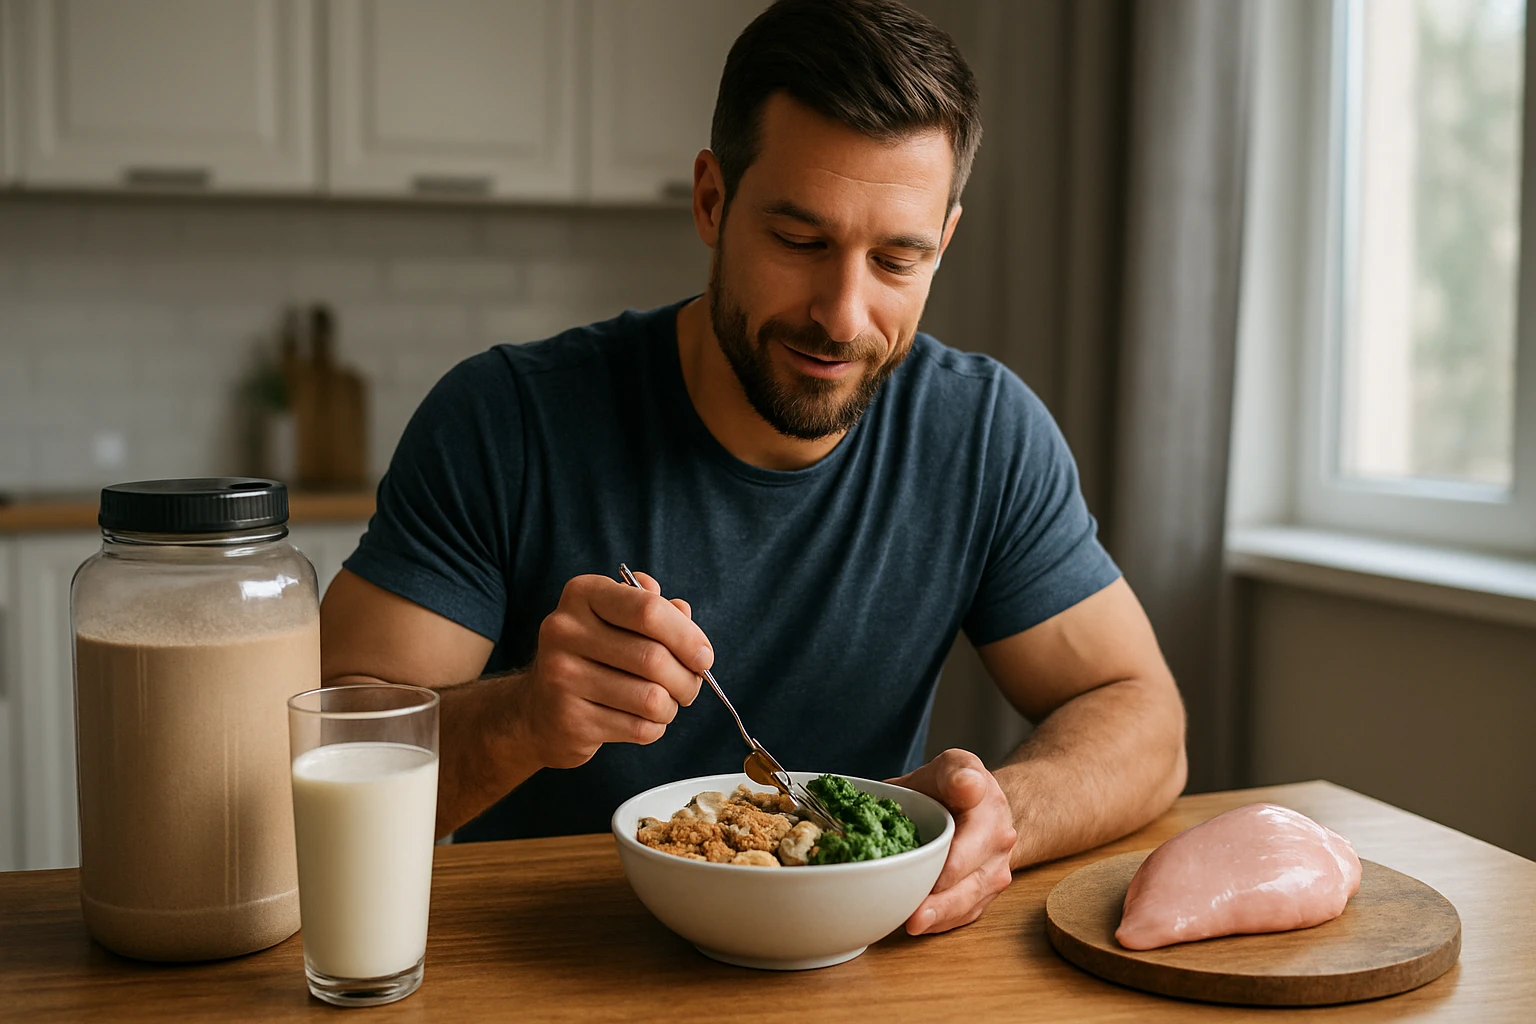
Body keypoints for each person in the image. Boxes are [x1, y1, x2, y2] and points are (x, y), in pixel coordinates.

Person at [320, 0, 1187, 937]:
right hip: (549, 960)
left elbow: (1143, 719)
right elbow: (318, 760)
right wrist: (525, 715)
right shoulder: (504, 420)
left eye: (897, 260)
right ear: (712, 201)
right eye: (801, 242)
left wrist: (1001, 817)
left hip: (864, 974)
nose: (843, 315)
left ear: (945, 241)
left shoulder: (983, 434)